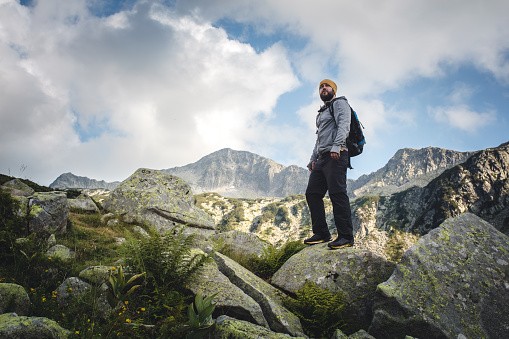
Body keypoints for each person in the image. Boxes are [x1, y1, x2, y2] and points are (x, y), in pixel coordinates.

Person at [303, 79, 354, 249]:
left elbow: (344, 125)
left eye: (327, 86)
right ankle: (322, 233)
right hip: (322, 158)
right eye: (321, 87)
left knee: (337, 194)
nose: (323, 88)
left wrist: (337, 146)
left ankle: (346, 237)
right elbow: (319, 139)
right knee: (312, 193)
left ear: (334, 90)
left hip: (337, 155)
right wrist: (313, 158)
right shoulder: (322, 112)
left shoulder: (340, 104)